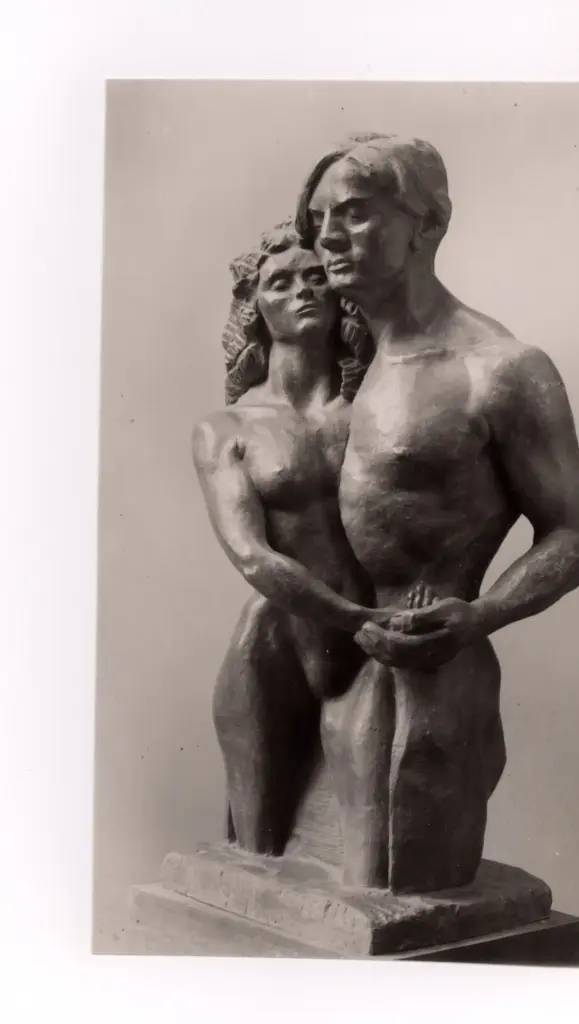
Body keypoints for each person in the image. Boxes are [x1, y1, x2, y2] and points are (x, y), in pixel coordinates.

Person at [296, 134, 579, 892]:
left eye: (355, 213)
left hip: (427, 669)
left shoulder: (499, 369)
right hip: (327, 660)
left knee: (400, 892)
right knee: (313, 867)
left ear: (428, 223)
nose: (329, 236)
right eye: (319, 218)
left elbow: (572, 535)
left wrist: (481, 614)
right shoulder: (333, 365)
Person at [192, 219, 383, 856]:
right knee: (257, 853)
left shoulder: (379, 408)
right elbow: (251, 554)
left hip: (377, 640)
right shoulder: (227, 429)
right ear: (254, 310)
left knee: (372, 853)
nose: (303, 291)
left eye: (317, 277)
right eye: (280, 283)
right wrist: (355, 618)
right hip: (281, 640)